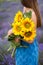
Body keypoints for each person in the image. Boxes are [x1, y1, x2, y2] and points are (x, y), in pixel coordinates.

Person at [8, 0, 41, 65]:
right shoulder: (25, 8)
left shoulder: (33, 14)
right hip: (21, 49)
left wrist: (15, 33)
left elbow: (31, 40)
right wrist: (15, 31)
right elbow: (22, 27)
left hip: (28, 50)